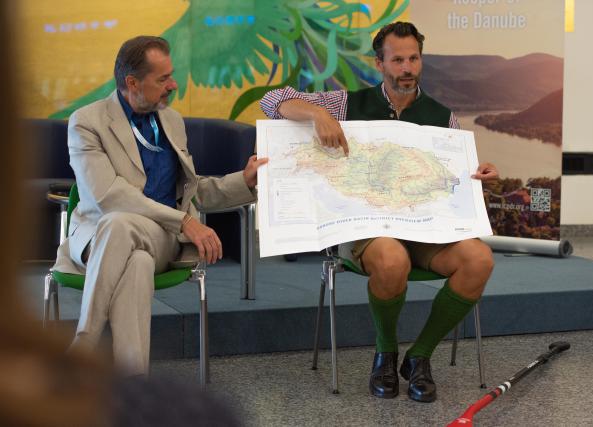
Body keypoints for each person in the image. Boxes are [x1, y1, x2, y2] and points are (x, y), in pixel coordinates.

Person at [260, 22, 498, 403]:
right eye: (398, 59)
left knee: (479, 259)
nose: (407, 68)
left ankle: (419, 357)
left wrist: (476, 175)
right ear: (379, 63)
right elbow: (272, 100)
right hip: (366, 229)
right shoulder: (344, 103)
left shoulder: (443, 117)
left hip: (424, 230)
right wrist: (317, 115)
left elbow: (451, 181)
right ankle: (385, 355)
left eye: (414, 59)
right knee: (390, 259)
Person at [52, 35, 267, 376]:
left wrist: (245, 180)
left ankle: (84, 343)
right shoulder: (87, 122)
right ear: (132, 83)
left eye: (172, 75)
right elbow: (108, 197)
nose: (173, 85)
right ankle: (134, 385)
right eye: (163, 79)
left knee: (124, 229)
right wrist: (185, 222)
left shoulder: (171, 121)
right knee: (131, 251)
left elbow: (192, 192)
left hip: (162, 240)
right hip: (99, 237)